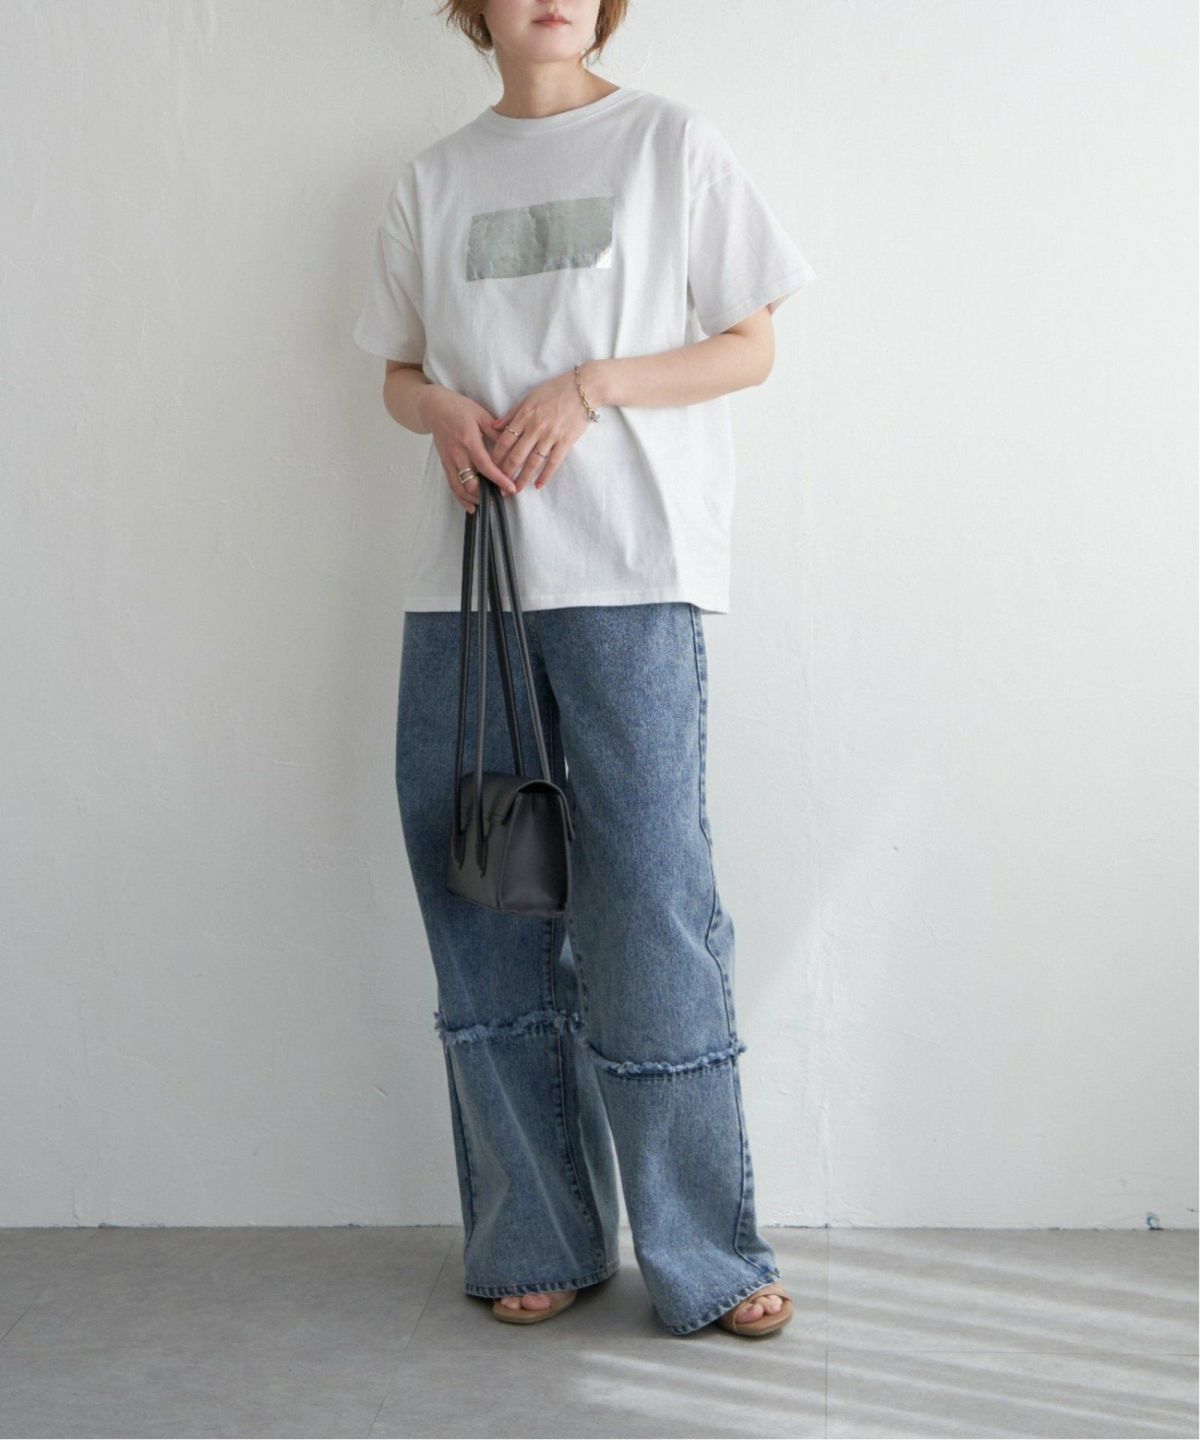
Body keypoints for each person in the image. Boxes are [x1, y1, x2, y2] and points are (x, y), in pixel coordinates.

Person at [351, 0, 816, 1338]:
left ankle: (706, 1254)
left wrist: (593, 386)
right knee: (484, 903)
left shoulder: (671, 144)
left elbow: (752, 345)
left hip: (629, 577)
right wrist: (438, 408)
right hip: (469, 592)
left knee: (650, 906)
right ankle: (532, 1236)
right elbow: (396, 372)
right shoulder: (434, 178)